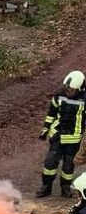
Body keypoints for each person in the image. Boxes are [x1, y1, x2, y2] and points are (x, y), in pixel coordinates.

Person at [36, 70, 86, 198]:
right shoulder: (59, 94)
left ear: (80, 88)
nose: (68, 92)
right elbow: (52, 112)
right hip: (57, 135)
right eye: (67, 89)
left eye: (71, 90)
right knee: (50, 163)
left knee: (68, 166)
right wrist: (45, 128)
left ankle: (65, 188)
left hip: (74, 139)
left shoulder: (84, 98)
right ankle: (46, 187)